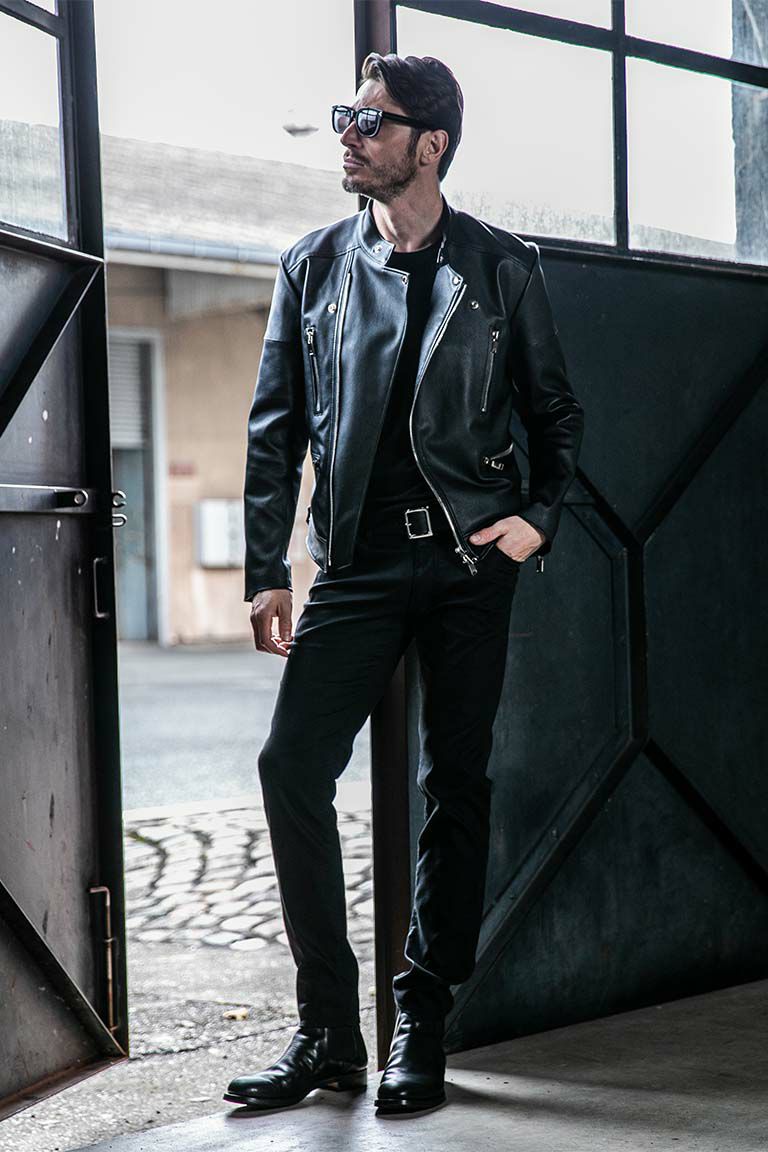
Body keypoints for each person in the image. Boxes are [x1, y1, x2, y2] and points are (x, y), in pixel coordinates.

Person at [225, 52, 584, 1116]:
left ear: (431, 144)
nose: (349, 133)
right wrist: (264, 568)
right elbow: (274, 428)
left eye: (370, 120)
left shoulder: (502, 267)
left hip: (469, 560)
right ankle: (329, 1034)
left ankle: (422, 1017)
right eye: (346, 115)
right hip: (358, 561)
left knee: (454, 783)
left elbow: (555, 413)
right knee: (292, 766)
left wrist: (537, 520)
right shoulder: (314, 266)